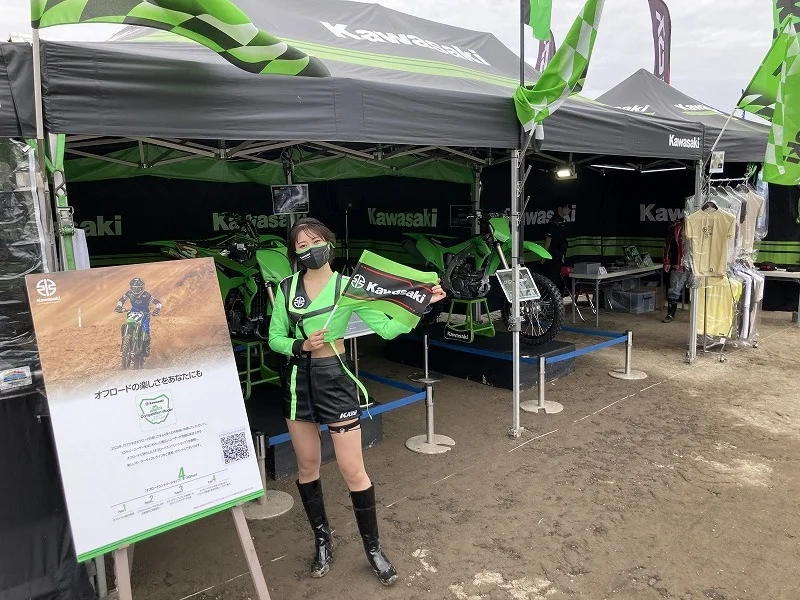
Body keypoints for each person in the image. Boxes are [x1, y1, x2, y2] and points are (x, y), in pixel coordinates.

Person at [268, 218, 445, 586]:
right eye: (301, 245)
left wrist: (420, 306)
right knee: (307, 466)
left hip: (336, 380)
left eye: (315, 241)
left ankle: (374, 549)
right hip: (298, 383)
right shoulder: (286, 288)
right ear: (294, 252)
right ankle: (322, 542)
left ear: (329, 243)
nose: (310, 249)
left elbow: (386, 328)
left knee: (352, 469)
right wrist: (300, 344)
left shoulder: (349, 287)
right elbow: (274, 338)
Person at [114, 278, 162, 356]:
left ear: (142, 288)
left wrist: (157, 309)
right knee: (125, 325)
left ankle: (146, 347)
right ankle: (124, 344)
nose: (136, 291)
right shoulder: (129, 293)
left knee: (146, 330)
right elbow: (121, 300)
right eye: (134, 288)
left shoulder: (146, 294)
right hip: (133, 312)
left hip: (145, 314)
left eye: (138, 289)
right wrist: (119, 306)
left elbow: (158, 303)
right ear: (131, 288)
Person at [662, 219, 688, 323]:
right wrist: (667, 261)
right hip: (678, 263)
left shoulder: (703, 223)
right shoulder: (677, 226)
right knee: (674, 289)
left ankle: (699, 318)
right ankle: (670, 314)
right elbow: (668, 244)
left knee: (699, 290)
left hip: (697, 265)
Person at [542, 199, 571, 291]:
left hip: (561, 255)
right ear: (559, 209)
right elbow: (548, 239)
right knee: (554, 279)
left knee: (560, 280)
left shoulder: (562, 222)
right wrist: (544, 255)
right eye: (566, 207)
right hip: (553, 257)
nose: (568, 209)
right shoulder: (554, 222)